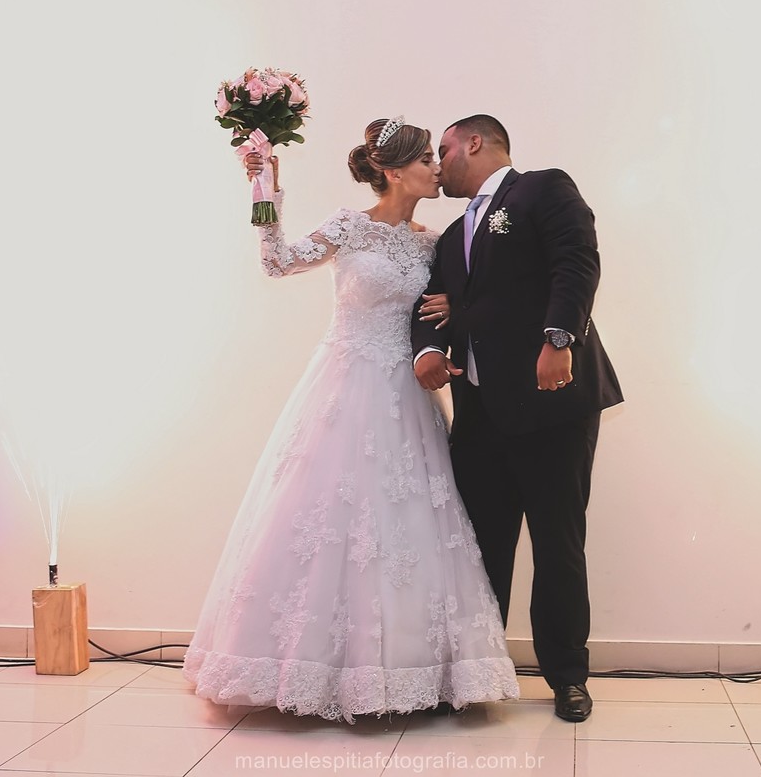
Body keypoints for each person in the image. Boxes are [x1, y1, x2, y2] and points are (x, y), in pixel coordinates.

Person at [184, 117, 520, 722]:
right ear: (393, 171)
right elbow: (278, 262)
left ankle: (414, 671)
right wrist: (265, 193)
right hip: (343, 385)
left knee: (407, 525)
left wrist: (454, 310)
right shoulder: (348, 227)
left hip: (406, 395)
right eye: (426, 160)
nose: (436, 169)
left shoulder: (432, 243)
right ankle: (303, 668)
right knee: (324, 519)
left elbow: (446, 308)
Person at [412, 114, 623, 723]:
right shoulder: (453, 236)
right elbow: (433, 304)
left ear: (475, 143)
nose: (439, 163)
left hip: (551, 401)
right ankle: (476, 675)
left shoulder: (542, 188)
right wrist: (428, 350)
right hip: (479, 413)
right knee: (479, 548)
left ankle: (567, 677)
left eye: (445, 149)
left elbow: (575, 263)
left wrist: (560, 337)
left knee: (558, 545)